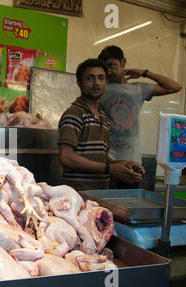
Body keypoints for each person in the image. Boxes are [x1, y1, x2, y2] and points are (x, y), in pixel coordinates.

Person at [98, 45, 182, 188]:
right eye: (105, 67)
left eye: (112, 66)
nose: (109, 71)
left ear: (123, 62)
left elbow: (175, 87)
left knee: (126, 206)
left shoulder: (138, 89)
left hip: (132, 162)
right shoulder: (100, 88)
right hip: (107, 161)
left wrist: (144, 73)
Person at [58, 58, 143, 191]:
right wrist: (110, 168)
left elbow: (101, 158)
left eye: (101, 78)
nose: (96, 83)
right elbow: (66, 157)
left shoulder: (103, 116)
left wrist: (120, 164)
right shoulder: (75, 114)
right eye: (90, 78)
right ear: (79, 83)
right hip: (78, 193)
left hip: (101, 191)